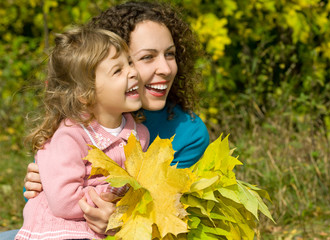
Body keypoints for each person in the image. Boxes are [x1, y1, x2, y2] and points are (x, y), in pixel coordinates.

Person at [2, 1, 210, 239]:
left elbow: (173, 213)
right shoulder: (79, 124)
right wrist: (39, 182)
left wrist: (121, 219)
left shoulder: (188, 133)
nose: (165, 68)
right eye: (146, 57)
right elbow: (45, 197)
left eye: (170, 54)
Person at [15, 26, 149, 240]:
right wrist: (113, 197)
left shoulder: (139, 134)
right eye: (118, 70)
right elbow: (63, 202)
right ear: (85, 95)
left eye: (130, 63)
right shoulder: (71, 136)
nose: (133, 72)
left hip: (106, 229)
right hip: (60, 230)